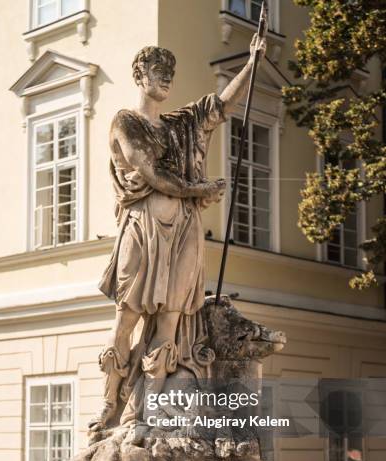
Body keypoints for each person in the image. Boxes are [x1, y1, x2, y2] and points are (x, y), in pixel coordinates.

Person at [89, 34, 266, 440]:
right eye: (158, 71)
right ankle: (110, 404)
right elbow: (150, 172)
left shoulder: (178, 125)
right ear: (140, 75)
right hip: (144, 228)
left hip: (184, 230)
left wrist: (252, 62)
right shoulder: (125, 122)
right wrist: (198, 190)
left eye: (171, 72)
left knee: (169, 319)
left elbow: (220, 107)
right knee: (127, 316)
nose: (167, 77)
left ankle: (151, 409)